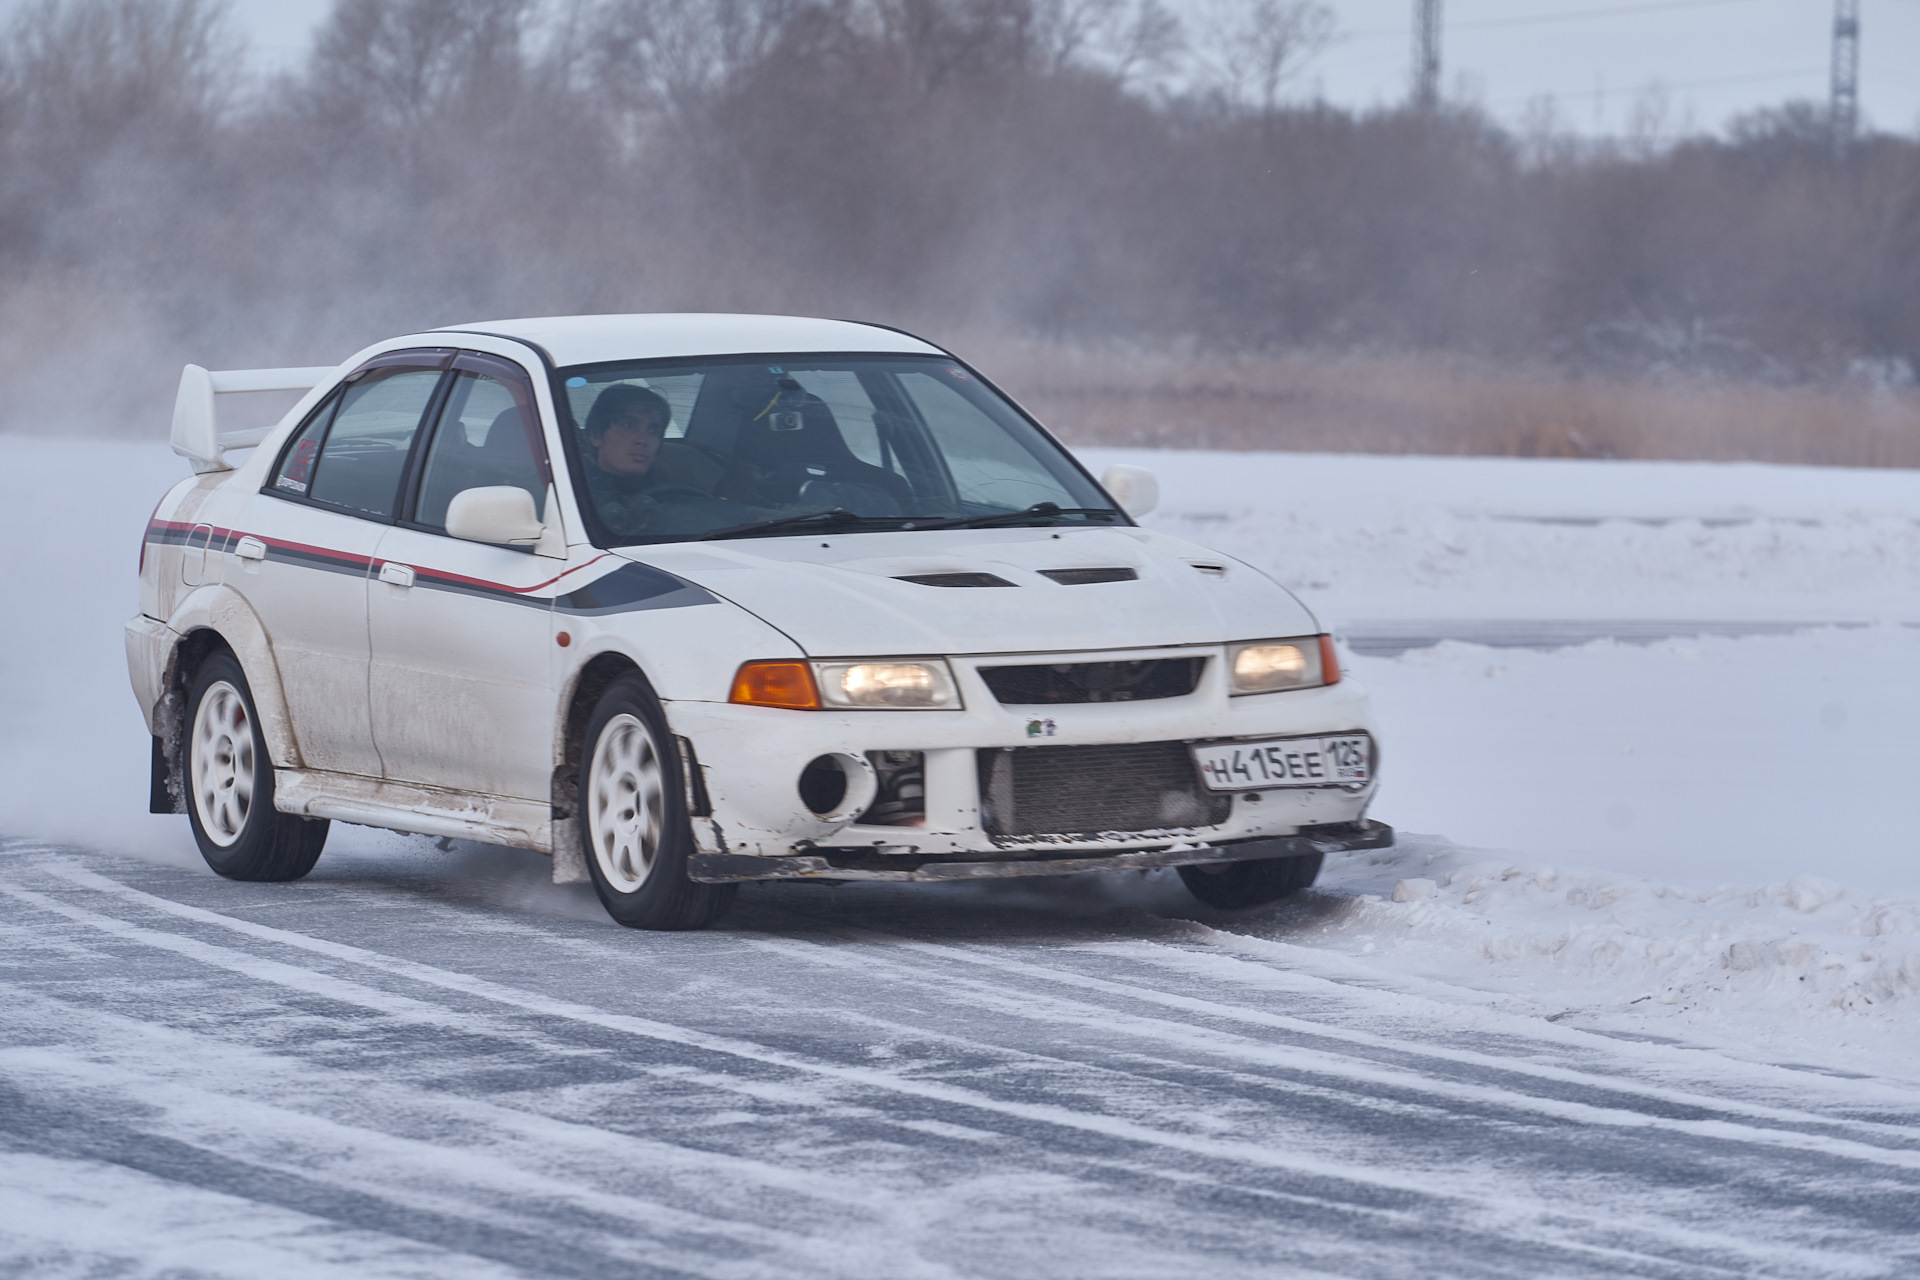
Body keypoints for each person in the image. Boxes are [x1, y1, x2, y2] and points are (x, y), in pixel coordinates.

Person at [580, 384, 676, 534]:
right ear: (596, 435)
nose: (643, 440)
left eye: (653, 431)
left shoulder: (675, 496)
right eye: (628, 425)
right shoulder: (576, 501)